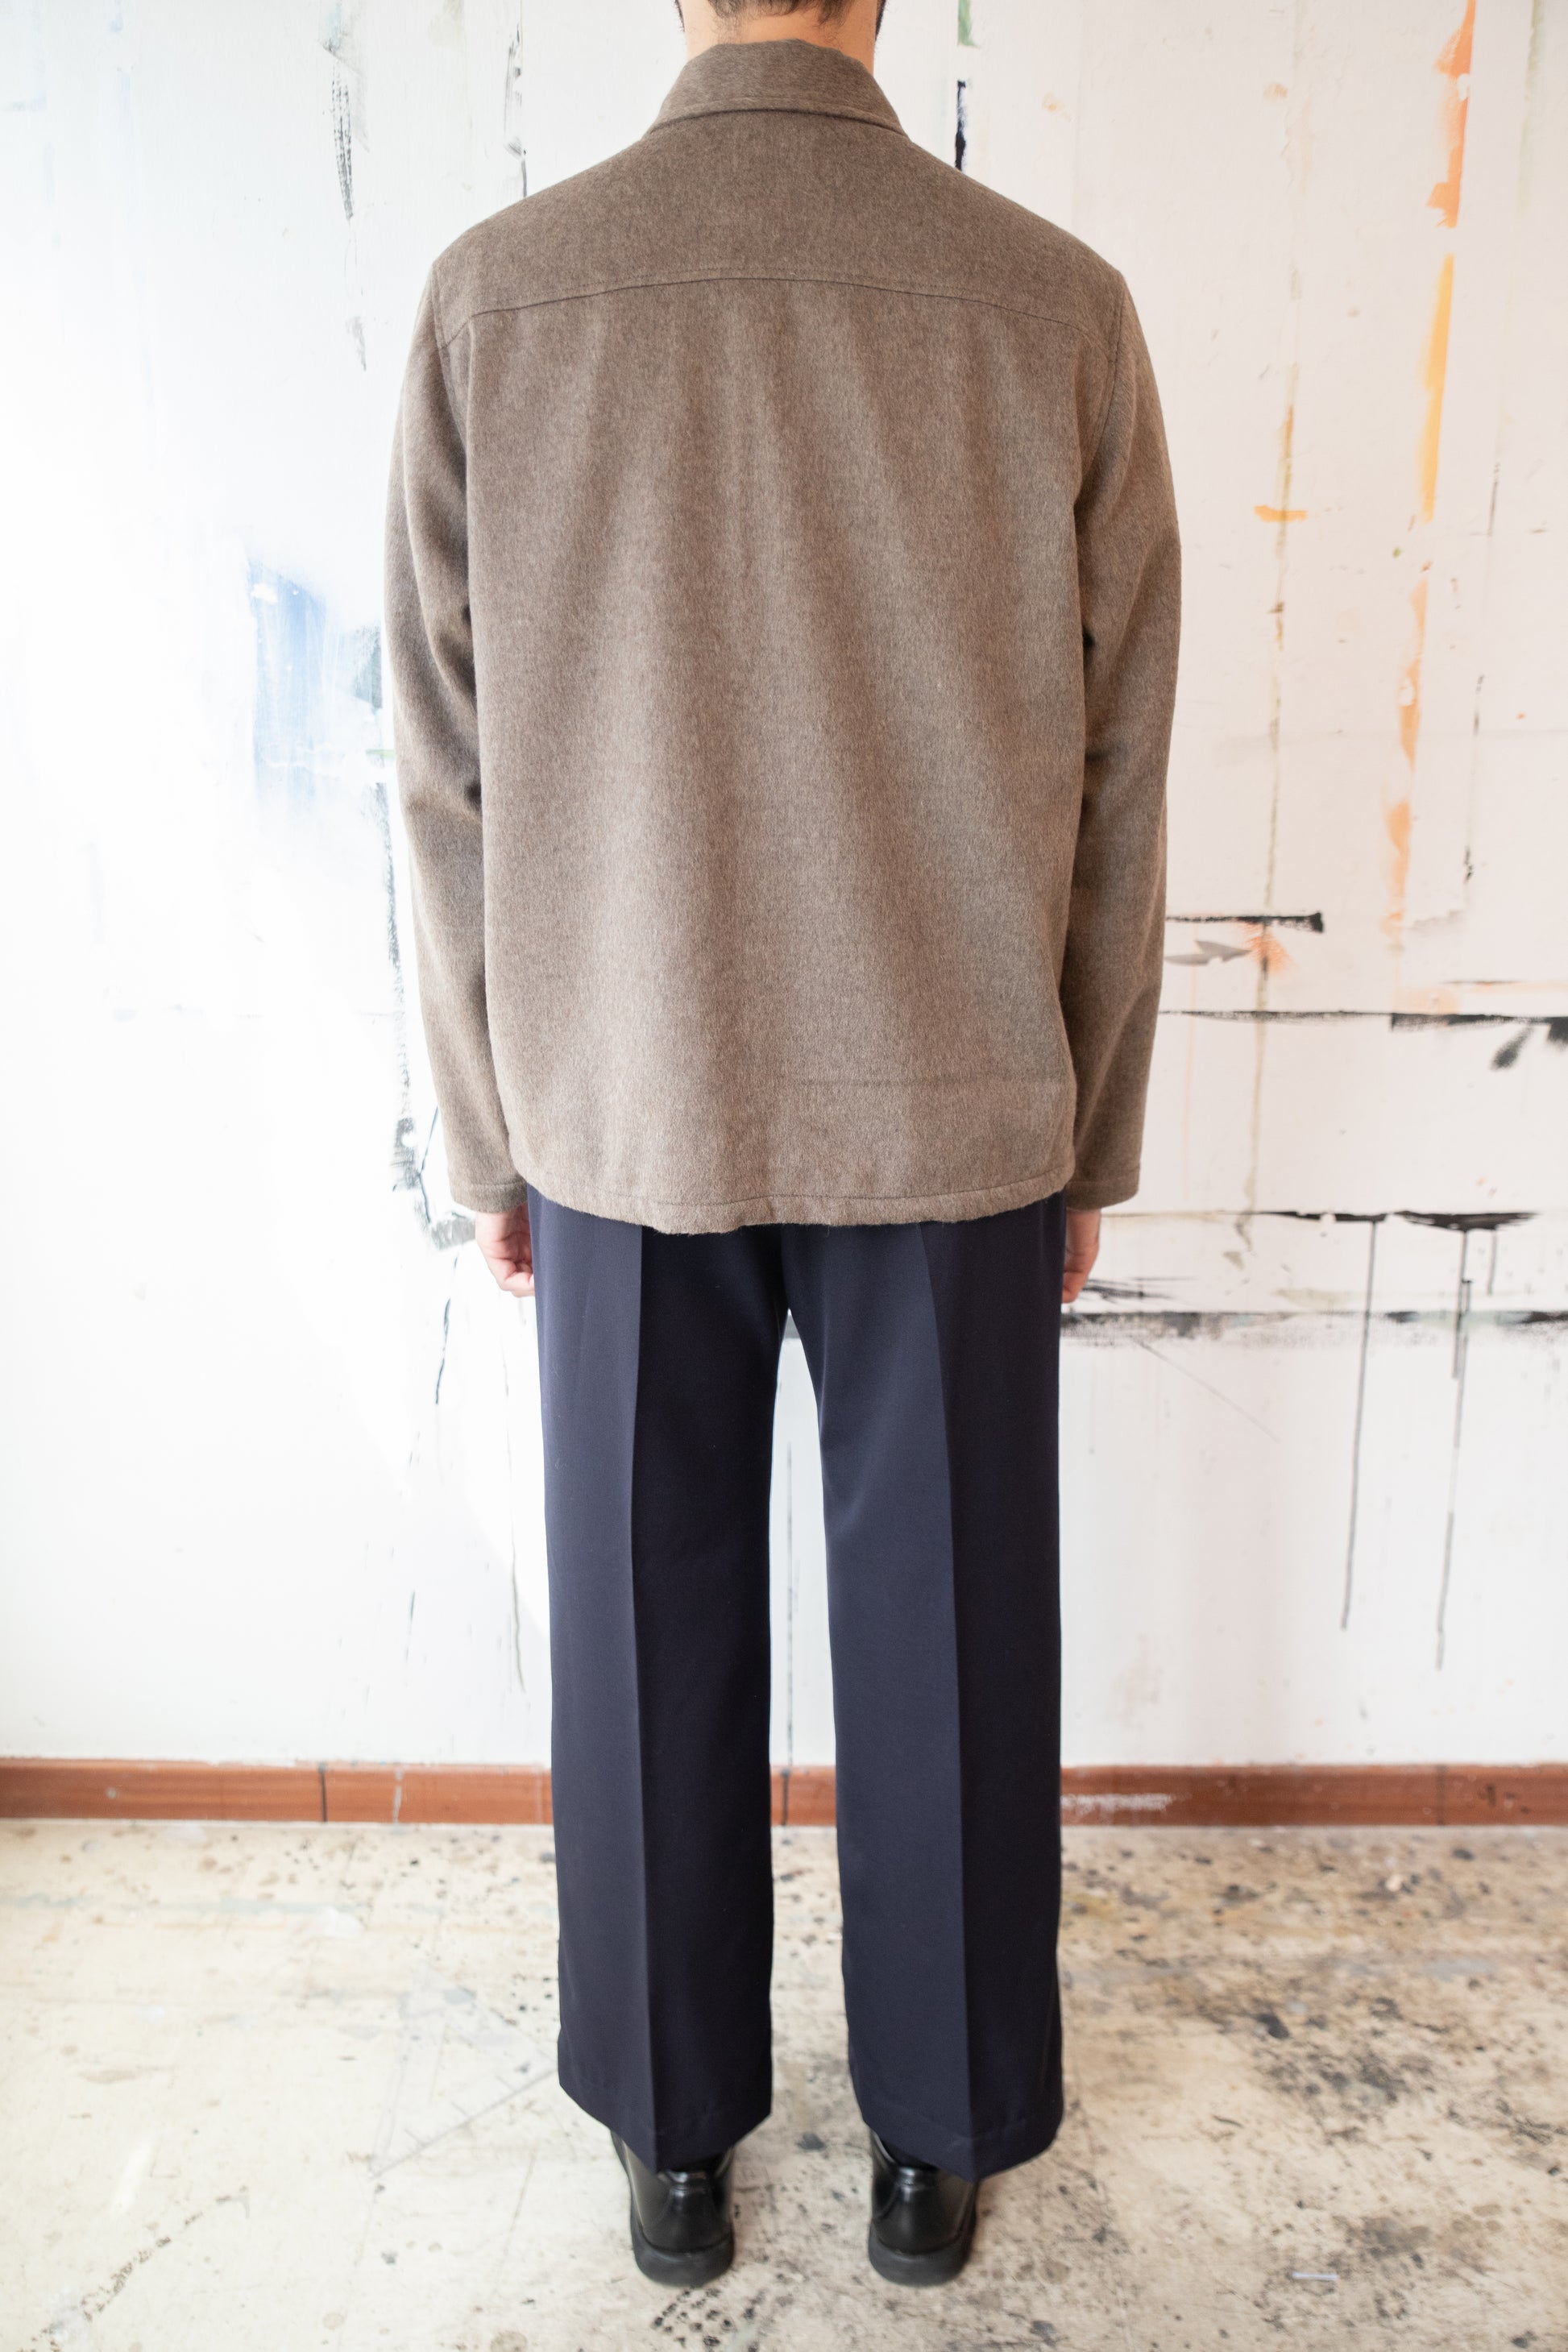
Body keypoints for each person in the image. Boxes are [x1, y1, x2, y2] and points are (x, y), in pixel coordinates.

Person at [385, 0, 1178, 2292]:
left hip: (626, 1088)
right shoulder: (1049, 301)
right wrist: (1088, 1121)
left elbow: (440, 770)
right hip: (953, 1091)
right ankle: (937, 2138)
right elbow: (1120, 762)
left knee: (643, 1623)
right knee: (952, 1630)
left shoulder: (502, 293)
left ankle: (668, 2137)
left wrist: (490, 1132)